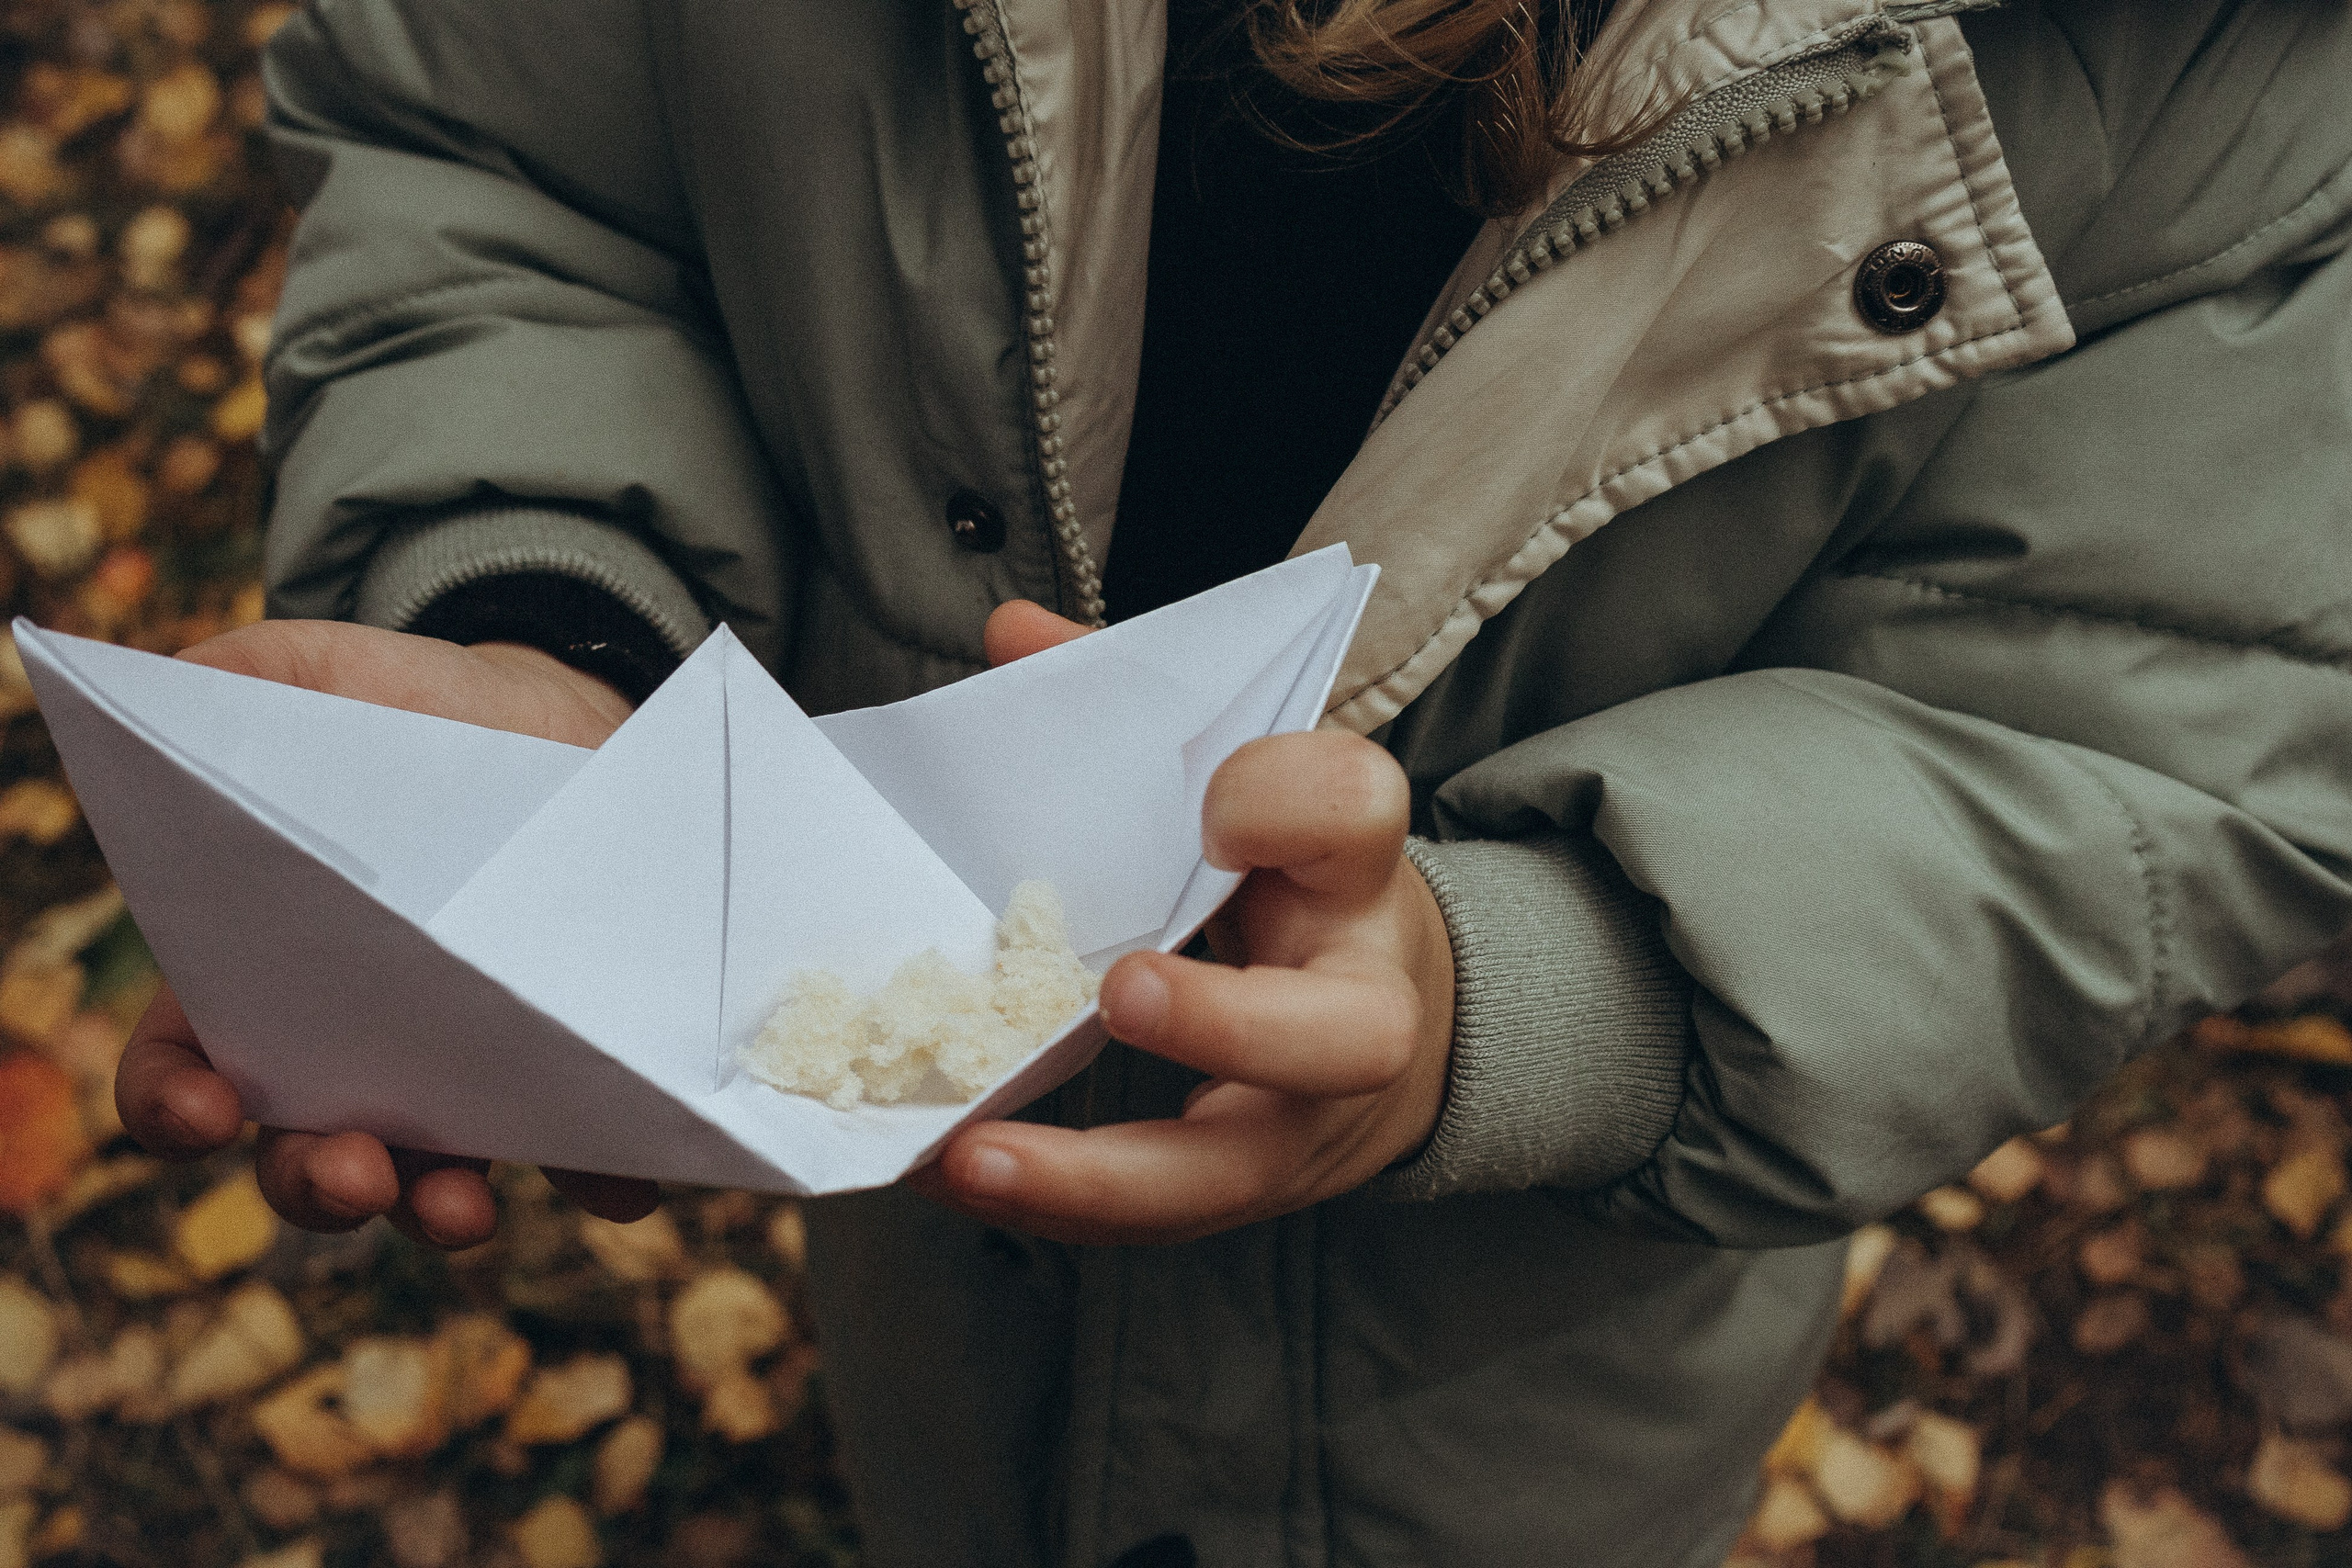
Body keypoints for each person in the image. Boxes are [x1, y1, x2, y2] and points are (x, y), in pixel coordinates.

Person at [114, 0, 2352, 1563]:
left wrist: (1537, 988)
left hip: (1516, 1348)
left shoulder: (2211, 69)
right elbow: (510, 165)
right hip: (916, 1226)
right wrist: (545, 614)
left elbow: (2132, 709)